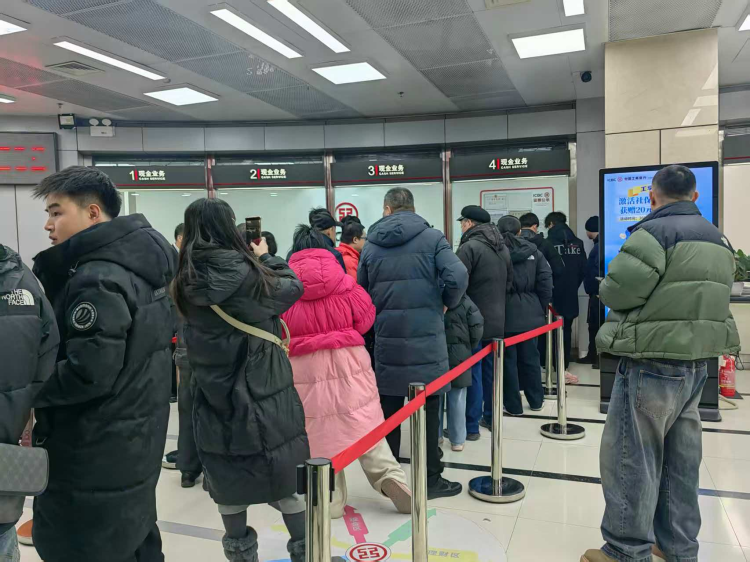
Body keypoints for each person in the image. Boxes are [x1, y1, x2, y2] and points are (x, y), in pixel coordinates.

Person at [582, 165, 740, 562]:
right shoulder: (718, 239)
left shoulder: (652, 234)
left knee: (632, 457)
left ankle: (625, 550)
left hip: (651, 361)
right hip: (696, 364)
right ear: (695, 196)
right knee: (681, 461)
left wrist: (605, 287)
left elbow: (618, 292)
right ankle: (678, 548)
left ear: (652, 196)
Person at [30, 166, 174, 562]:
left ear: (93, 212)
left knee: (85, 545)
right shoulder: (143, 267)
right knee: (132, 535)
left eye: (57, 212)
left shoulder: (95, 278)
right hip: (134, 439)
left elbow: (88, 372)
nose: (48, 225)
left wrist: (30, 388)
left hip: (91, 449)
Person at [172, 198, 310, 562]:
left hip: (212, 391)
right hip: (264, 387)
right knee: (284, 478)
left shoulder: (184, 278)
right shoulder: (246, 272)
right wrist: (265, 256)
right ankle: (305, 551)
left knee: (228, 481)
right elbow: (292, 288)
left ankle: (241, 555)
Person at [282, 224, 411, 518]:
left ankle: (330, 499)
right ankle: (389, 476)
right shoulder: (345, 283)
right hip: (349, 360)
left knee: (318, 433)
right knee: (364, 422)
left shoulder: (285, 290)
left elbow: (278, 328)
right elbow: (366, 319)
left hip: (304, 368)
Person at [358, 187, 468, 499]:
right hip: (427, 337)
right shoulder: (432, 237)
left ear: (387, 209)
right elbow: (458, 274)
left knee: (389, 411)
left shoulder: (371, 245)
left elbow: (361, 292)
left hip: (387, 337)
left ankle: (391, 479)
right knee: (429, 410)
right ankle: (431, 480)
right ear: (413, 208)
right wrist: (445, 302)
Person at [0, 244, 59, 561]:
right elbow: (47, 351)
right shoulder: (21, 278)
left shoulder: (20, 278)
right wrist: (25, 408)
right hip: (6, 439)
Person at [454, 205, 512, 439]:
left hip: (473, 321)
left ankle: (470, 426)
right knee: (491, 372)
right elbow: (509, 283)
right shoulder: (502, 248)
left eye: (462, 222)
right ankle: (490, 416)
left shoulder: (469, 247)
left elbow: (457, 283)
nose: (461, 227)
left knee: (473, 373)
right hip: (498, 319)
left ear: (469, 223)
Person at [497, 216, 553, 415]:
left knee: (507, 361)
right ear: (520, 231)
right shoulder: (534, 251)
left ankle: (513, 406)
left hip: (503, 312)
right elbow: (546, 281)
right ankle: (536, 400)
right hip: (531, 312)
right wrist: (539, 305)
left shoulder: (496, 252)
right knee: (531, 358)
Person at [544, 211, 586, 382]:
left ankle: (548, 363)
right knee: (566, 329)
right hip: (570, 293)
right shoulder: (578, 244)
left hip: (551, 295)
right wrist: (572, 286)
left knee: (547, 330)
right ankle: (564, 364)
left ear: (551, 224)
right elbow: (583, 269)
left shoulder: (547, 243)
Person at [440, 295, 484, 451]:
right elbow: (477, 327)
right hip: (460, 356)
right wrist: (468, 346)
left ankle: (436, 436)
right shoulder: (465, 301)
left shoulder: (432, 298)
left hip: (437, 355)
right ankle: (457, 440)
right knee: (458, 397)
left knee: (436, 398)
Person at [580, 216, 604, 369]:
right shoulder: (600, 245)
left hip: (598, 294)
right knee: (595, 326)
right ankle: (593, 356)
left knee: (596, 326)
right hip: (598, 293)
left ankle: (596, 357)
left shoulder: (598, 247)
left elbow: (594, 272)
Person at [338, 216, 366, 280]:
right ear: (355, 240)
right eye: (365, 238)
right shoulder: (349, 261)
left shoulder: (341, 254)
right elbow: (355, 284)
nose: (366, 242)